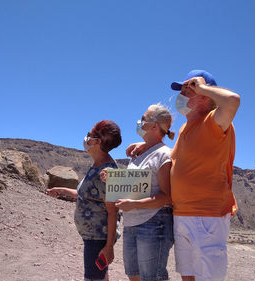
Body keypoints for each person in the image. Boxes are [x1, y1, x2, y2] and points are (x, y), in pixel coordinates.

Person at [127, 70, 240, 281]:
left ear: (206, 97)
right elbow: (179, 160)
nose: (182, 95)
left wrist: (204, 87)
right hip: (182, 214)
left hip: (208, 215)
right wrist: (148, 144)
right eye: (183, 90)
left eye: (190, 89)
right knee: (187, 276)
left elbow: (233, 101)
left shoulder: (215, 121)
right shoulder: (185, 128)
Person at [101, 103, 175, 281]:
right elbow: (135, 187)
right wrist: (113, 178)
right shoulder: (138, 155)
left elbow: (167, 196)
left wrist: (133, 204)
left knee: (152, 277)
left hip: (154, 223)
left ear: (155, 126)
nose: (139, 122)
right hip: (132, 223)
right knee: (133, 275)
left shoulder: (164, 154)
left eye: (143, 119)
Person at [46, 120, 122, 281]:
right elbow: (85, 195)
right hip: (91, 235)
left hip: (98, 237)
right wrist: (61, 190)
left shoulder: (107, 173)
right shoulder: (97, 166)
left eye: (90, 135)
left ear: (97, 141)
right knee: (101, 276)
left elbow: (113, 211)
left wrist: (108, 248)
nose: (86, 138)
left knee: (94, 278)